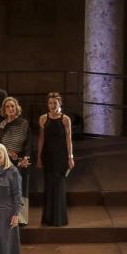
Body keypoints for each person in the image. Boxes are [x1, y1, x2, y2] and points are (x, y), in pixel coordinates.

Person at [38, 91, 76, 227]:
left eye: (55, 103)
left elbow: (68, 139)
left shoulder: (65, 119)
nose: (52, 105)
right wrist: (39, 156)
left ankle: (59, 219)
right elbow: (41, 138)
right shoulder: (43, 118)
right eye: (50, 103)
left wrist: (70, 157)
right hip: (48, 156)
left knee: (59, 185)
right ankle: (48, 219)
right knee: (48, 185)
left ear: (60, 103)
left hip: (61, 156)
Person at [0, 96, 33, 224]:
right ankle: (8, 217)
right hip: (5, 161)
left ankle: (21, 219)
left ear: (16, 108)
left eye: (12, 106)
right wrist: (7, 153)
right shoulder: (0, 124)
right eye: (7, 107)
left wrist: (25, 158)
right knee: (6, 190)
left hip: (21, 162)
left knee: (20, 189)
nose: (10, 108)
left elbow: (29, 144)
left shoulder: (24, 123)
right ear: (4, 110)